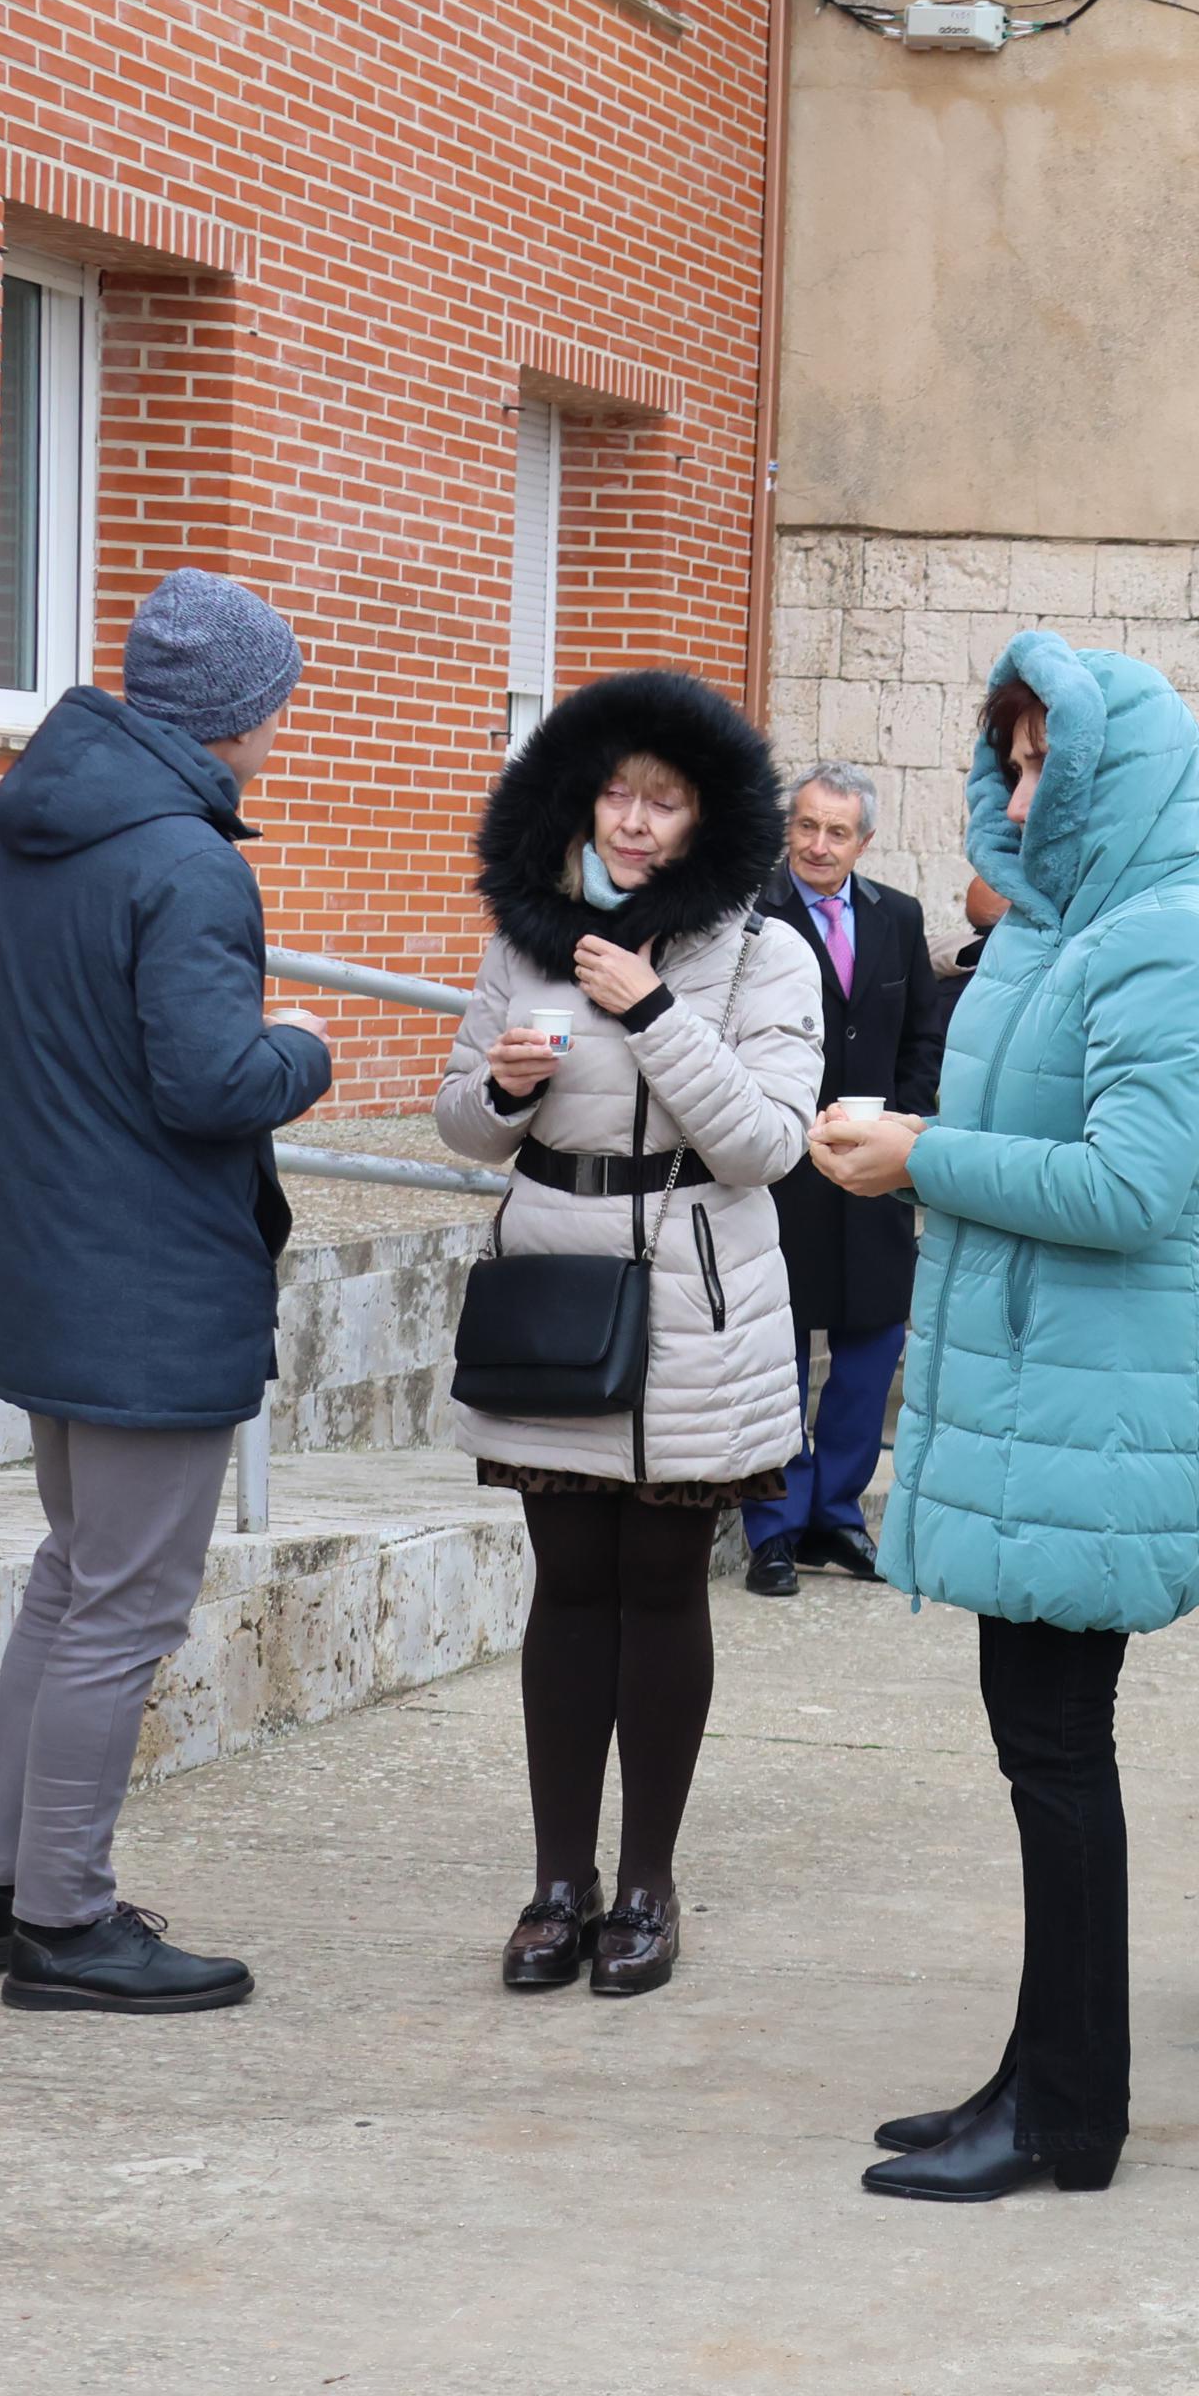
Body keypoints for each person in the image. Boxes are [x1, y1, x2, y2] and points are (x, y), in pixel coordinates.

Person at [824, 635, 1199, 2202]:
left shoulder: (1170, 941)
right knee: (1036, 1754)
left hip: (1092, 1411)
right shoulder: (1055, 935)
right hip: (1033, 1404)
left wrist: (914, 1152)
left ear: (1108, 769)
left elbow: (1139, 1191)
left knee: (1060, 1756)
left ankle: (1072, 2112)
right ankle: (1038, 2072)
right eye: (1002, 759)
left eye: (1041, 760)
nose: (1018, 787)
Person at [0, 568, 333, 2012]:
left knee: (71, 1584)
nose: (282, 725)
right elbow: (213, 1079)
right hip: (155, 1288)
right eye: (277, 702)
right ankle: (67, 1922)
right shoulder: (186, 860)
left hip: (48, 1269)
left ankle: (6, 1886)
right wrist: (304, 1041)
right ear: (239, 712)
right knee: (122, 1604)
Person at [433, 670, 814, 1996]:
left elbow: (766, 1142)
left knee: (660, 1585)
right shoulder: (525, 933)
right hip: (555, 1278)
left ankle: (645, 1882)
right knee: (567, 1582)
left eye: (665, 800)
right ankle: (556, 1882)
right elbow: (462, 1126)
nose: (637, 822)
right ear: (581, 795)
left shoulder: (762, 951)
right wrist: (501, 1083)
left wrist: (651, 1011)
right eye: (617, 794)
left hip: (699, 1293)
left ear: (706, 815)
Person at [743, 760, 952, 1598]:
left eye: (837, 831)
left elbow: (923, 1035)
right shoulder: (750, 911)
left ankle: (837, 1515)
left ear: (864, 840)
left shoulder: (896, 915)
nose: (819, 844)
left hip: (874, 1166)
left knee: (870, 1347)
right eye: (806, 826)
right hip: (778, 1163)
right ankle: (774, 1528)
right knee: (776, 1350)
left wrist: (907, 1120)